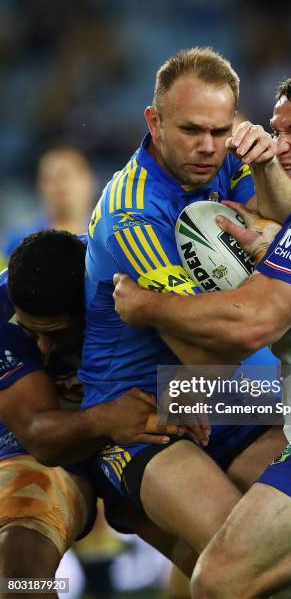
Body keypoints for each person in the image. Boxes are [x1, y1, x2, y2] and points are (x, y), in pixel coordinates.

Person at [113, 67, 291, 598]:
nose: (282, 146)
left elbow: (252, 324)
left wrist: (146, 306)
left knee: (219, 581)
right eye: (277, 132)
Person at [79, 46, 288, 574]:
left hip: (221, 402)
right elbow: (206, 358)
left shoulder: (232, 163)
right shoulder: (134, 213)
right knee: (247, 561)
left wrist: (266, 168)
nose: (208, 147)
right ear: (154, 121)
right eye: (192, 129)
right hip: (144, 418)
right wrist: (268, 275)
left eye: (221, 132)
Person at [0, 230, 180, 598]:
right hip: (45, 443)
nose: (44, 347)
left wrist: (190, 394)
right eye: (31, 333)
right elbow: (38, 434)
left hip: (137, 428)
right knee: (17, 570)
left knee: (229, 562)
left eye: (58, 333)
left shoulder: (138, 279)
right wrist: (104, 418)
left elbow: (248, 378)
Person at [3, 144, 96, 257]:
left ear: (88, 180)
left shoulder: (106, 238)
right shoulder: (20, 241)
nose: (59, 184)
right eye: (50, 178)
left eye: (65, 175)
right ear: (39, 185)